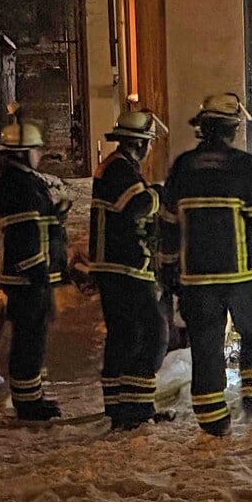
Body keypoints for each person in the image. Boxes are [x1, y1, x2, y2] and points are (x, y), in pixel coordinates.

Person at [158, 93, 252, 436]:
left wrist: (169, 268)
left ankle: (213, 422)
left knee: (205, 347)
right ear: (232, 128)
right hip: (243, 278)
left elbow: (168, 223)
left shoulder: (183, 167)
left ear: (202, 128)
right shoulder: (243, 166)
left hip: (197, 282)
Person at [89, 109, 170, 429]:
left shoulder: (114, 167)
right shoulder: (119, 170)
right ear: (139, 144)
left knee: (125, 337)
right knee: (153, 334)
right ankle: (136, 410)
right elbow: (136, 207)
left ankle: (125, 409)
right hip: (124, 268)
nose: (150, 149)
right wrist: (159, 193)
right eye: (149, 143)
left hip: (118, 268)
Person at [0, 113, 68, 421]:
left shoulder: (21, 182)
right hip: (28, 277)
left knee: (33, 338)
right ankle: (27, 403)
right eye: (36, 150)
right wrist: (37, 272)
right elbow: (24, 234)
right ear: (23, 153)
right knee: (28, 340)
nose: (40, 155)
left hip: (30, 276)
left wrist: (56, 212)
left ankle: (31, 396)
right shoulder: (18, 186)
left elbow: (38, 223)